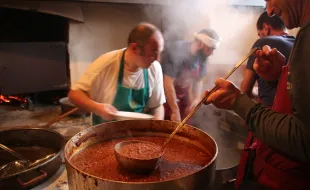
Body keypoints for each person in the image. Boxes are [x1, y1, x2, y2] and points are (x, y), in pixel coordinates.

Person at [204, 0, 310, 189]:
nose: (269, 10)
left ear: (266, 30)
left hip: (288, 179)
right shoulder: (300, 37)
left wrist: (237, 101)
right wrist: (277, 77)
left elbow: (304, 138)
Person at [68, 22, 166, 125]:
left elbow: (157, 106)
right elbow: (74, 95)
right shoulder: (106, 64)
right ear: (134, 48)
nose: (157, 59)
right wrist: (97, 108)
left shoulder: (154, 68)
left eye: (159, 53)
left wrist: (156, 124)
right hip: (104, 134)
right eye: (152, 54)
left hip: (137, 134)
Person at [161, 29, 220, 122]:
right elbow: (168, 83)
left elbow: (198, 80)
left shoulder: (203, 57)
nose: (212, 53)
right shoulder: (177, 49)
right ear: (200, 44)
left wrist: (196, 100)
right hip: (165, 98)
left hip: (182, 97)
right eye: (210, 49)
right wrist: (175, 111)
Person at [241, 11, 295, 107]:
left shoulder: (262, 43)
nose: (260, 37)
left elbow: (245, 91)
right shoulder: (298, 43)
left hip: (271, 113)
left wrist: (257, 93)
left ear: (266, 28)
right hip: (294, 113)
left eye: (260, 34)